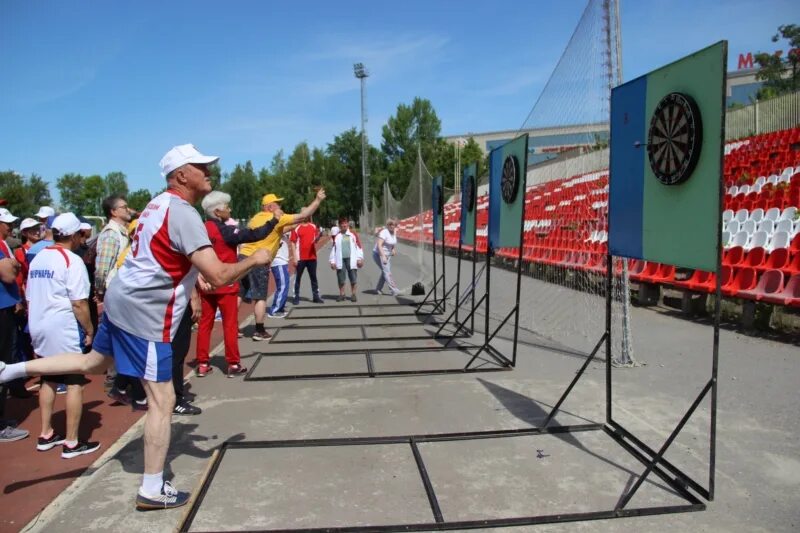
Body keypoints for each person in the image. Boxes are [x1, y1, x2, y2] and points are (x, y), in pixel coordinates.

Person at [0, 144, 273, 510]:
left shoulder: (156, 204)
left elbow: (168, 257)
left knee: (92, 365)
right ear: (180, 175)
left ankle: (9, 369)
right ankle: (151, 488)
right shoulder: (183, 212)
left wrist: (192, 282)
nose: (209, 171)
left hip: (122, 298)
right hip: (147, 312)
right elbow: (220, 273)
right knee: (163, 399)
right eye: (200, 166)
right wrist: (255, 258)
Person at [27, 213, 99, 458]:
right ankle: (72, 442)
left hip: (39, 322)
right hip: (62, 326)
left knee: (48, 377)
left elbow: (29, 294)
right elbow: (79, 303)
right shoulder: (71, 260)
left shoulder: (38, 258)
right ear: (74, 235)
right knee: (74, 381)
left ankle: (46, 433)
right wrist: (90, 330)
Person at [194, 190, 281, 378]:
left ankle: (202, 362)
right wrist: (273, 221)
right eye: (226, 206)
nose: (229, 209)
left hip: (207, 284)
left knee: (205, 324)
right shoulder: (225, 230)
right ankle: (233, 363)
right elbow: (253, 235)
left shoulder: (200, 228)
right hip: (225, 283)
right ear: (217, 211)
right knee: (230, 324)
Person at [238, 190, 326, 340]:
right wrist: (317, 201)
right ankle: (259, 330)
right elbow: (302, 216)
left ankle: (231, 327)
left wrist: (296, 222)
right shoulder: (276, 217)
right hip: (259, 260)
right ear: (270, 207)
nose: (280, 205)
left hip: (243, 257)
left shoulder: (255, 218)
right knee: (260, 297)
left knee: (239, 294)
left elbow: (282, 229)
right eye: (277, 203)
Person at [94, 194, 141, 406]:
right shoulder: (111, 235)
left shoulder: (123, 231)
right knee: (118, 337)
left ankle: (123, 382)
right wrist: (102, 290)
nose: (127, 209)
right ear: (113, 211)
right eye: (123, 207)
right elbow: (103, 266)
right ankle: (115, 382)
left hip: (124, 291)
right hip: (116, 291)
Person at [0, 207, 30, 443]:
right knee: (2, 364)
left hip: (6, 307)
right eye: (6, 222)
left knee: (7, 360)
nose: (10, 227)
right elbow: (9, 274)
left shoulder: (4, 244)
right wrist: (12, 264)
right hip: (1, 311)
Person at [329, 218, 363, 302]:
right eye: (342, 224)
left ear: (347, 224)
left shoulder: (353, 234)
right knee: (341, 278)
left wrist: (359, 258)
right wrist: (332, 261)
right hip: (340, 260)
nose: (344, 225)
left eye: (345, 223)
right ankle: (342, 294)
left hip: (351, 259)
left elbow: (359, 247)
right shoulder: (337, 236)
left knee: (353, 278)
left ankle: (353, 294)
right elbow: (334, 249)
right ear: (339, 225)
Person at [291, 217, 324, 304]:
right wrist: (294, 257)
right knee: (297, 278)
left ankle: (316, 296)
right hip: (300, 258)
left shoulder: (313, 226)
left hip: (312, 257)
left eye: (307, 215)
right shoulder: (296, 228)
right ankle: (296, 296)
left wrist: (318, 237)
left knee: (313, 277)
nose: (305, 217)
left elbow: (316, 240)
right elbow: (293, 243)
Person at [267, 231, 294, 318]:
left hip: (282, 262)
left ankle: (280, 307)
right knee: (282, 286)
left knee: (284, 285)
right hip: (279, 262)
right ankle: (275, 310)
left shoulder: (282, 232)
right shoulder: (277, 230)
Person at [373, 219, 401, 296]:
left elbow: (392, 242)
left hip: (388, 255)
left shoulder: (394, 232)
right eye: (390, 224)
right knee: (387, 272)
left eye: (394, 225)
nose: (392, 226)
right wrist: (383, 256)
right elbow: (379, 245)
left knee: (384, 271)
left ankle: (378, 289)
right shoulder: (384, 232)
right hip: (379, 254)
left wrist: (393, 249)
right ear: (387, 225)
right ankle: (394, 290)